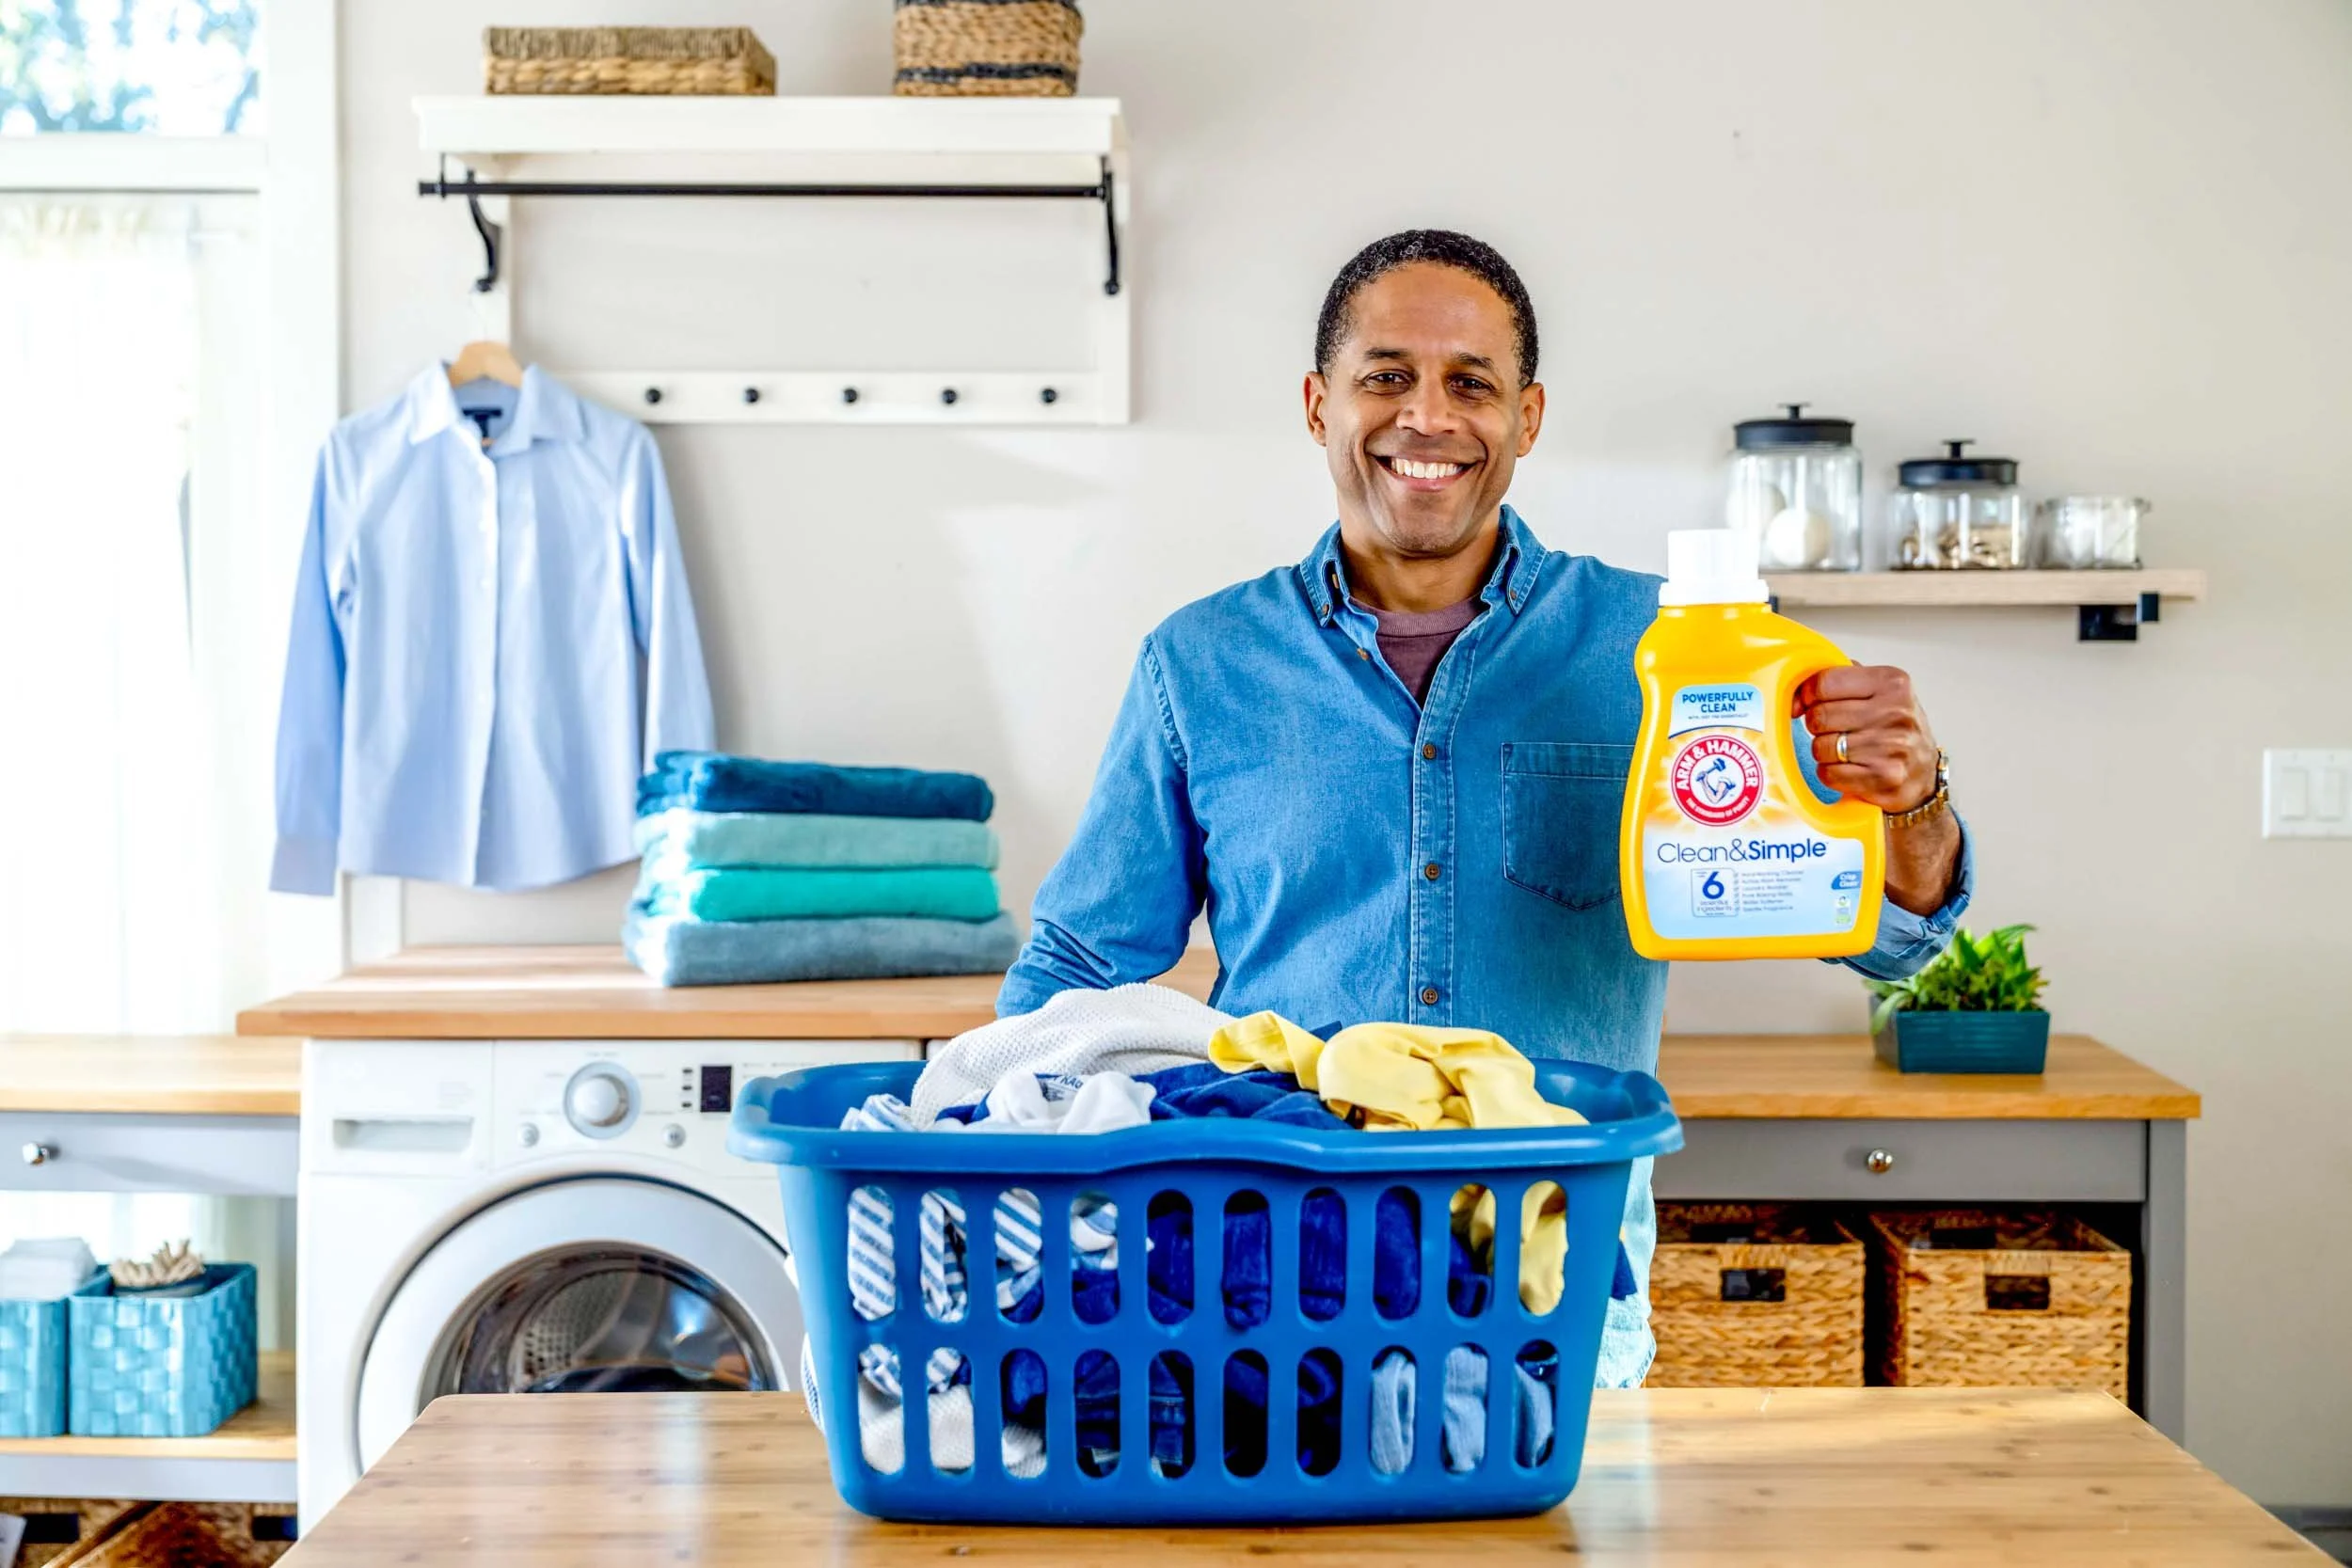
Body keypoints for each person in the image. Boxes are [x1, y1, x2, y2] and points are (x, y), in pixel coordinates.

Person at [999, 230, 1969, 1385]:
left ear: (1528, 416)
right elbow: (1079, 960)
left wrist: (1909, 803)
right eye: (1385, 376)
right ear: (1319, 404)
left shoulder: (1673, 650)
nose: (1429, 416)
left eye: (1471, 382)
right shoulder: (1200, 663)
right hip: (1266, 1277)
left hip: (1551, 1286)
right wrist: (983, 1141)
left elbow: (1895, 940)